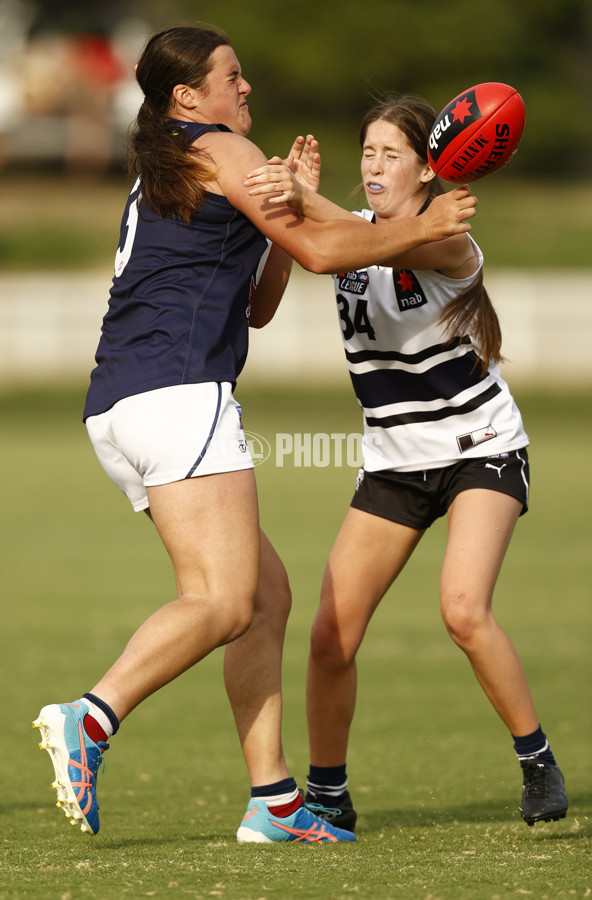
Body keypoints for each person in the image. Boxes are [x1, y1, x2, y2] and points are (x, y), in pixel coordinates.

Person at [32, 29, 477, 845]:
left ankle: (273, 803)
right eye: (230, 77)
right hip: (177, 392)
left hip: (122, 403)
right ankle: (89, 717)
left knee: (265, 597)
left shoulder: (170, 159)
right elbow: (321, 253)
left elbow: (263, 300)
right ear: (187, 99)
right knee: (224, 600)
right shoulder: (223, 147)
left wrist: (288, 207)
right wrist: (424, 224)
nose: (246, 88)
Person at [244, 96, 568, 831]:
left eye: (392, 155)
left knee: (462, 609)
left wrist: (306, 200)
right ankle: (329, 796)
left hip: (480, 448)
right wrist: (299, 197)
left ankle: (537, 761)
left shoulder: (448, 240)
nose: (375, 167)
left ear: (431, 168)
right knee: (331, 637)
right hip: (394, 460)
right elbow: (335, 240)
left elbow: (386, 244)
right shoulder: (352, 231)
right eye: (368, 154)